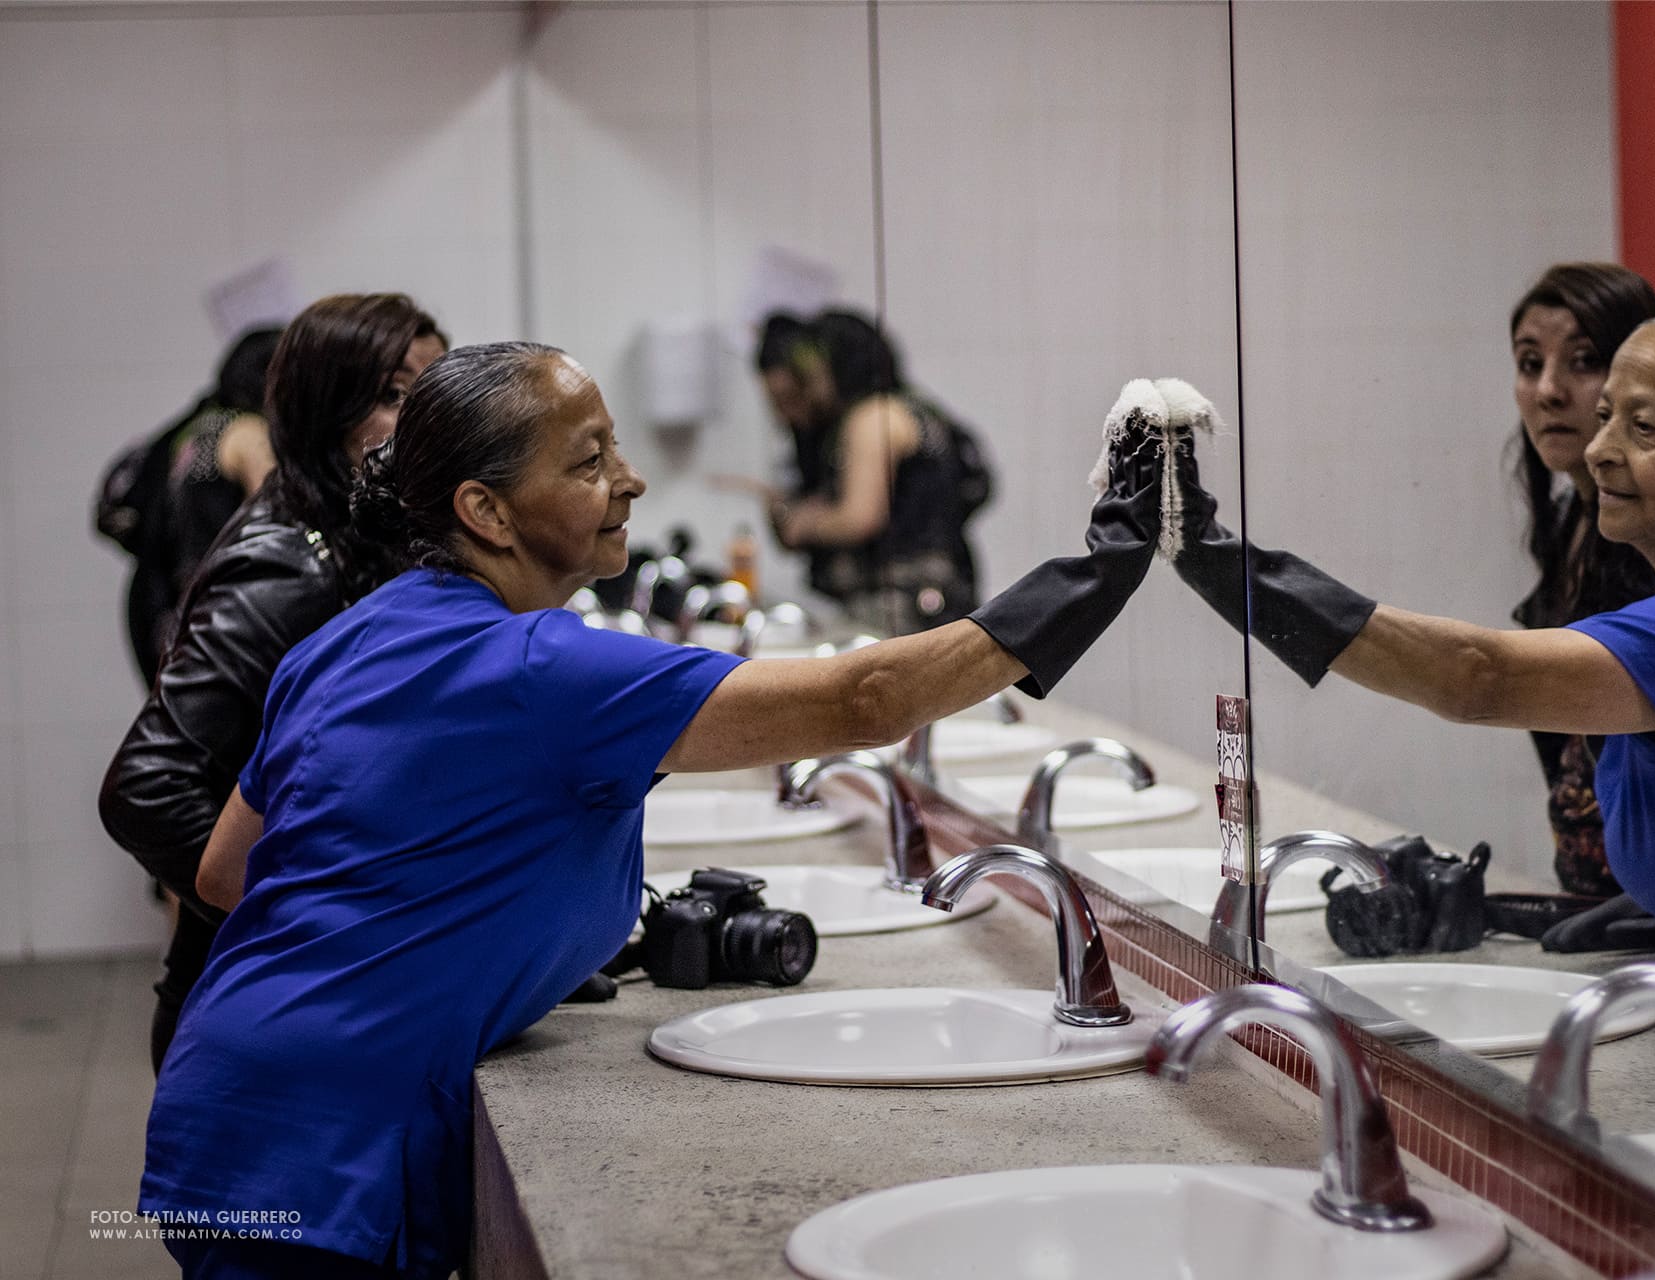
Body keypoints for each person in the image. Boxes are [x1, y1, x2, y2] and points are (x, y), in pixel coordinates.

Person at [140, 341, 1167, 1278]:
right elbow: (867, 697)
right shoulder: (543, 664)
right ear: (486, 511)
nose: (626, 479)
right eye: (588, 461)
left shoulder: (351, 638)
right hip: (326, 1152)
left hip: (221, 1107)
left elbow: (233, 873)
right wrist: (1097, 573)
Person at [1168, 313, 1655, 1026]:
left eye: (1646, 428)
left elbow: (1477, 677)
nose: (1599, 451)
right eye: (1608, 419)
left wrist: (1212, 558)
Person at [99, 294, 447, 1074]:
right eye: (393, 397)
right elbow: (143, 787)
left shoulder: (363, 540)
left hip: (305, 998)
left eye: (429, 392)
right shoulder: (288, 565)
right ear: (327, 414)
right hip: (256, 1013)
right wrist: (317, 914)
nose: (424, 421)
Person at [1505, 264, 1655, 896]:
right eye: (1528, 362)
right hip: (1602, 904)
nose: (1547, 391)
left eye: (1583, 361)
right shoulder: (1572, 522)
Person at [733, 309, 985, 634]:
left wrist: (804, 521)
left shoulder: (871, 418)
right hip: (932, 600)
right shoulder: (910, 408)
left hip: (904, 609)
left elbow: (858, 517)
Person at [96, 327, 284, 685]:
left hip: (160, 606)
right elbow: (284, 522)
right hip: (213, 615)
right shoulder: (249, 435)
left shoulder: (194, 428)